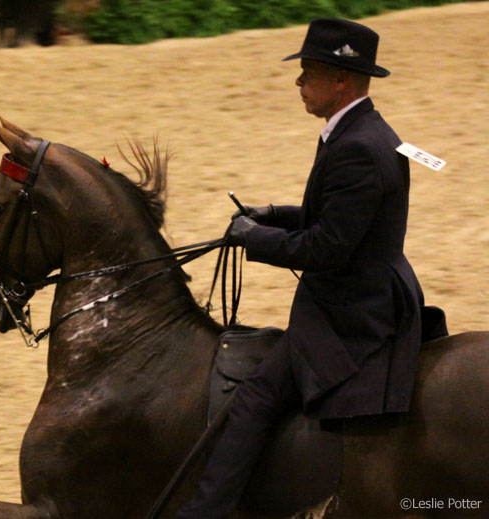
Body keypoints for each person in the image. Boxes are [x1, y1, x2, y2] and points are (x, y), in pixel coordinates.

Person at [176, 18, 447, 519]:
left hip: (354, 307)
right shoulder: (360, 132)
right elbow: (342, 216)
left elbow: (329, 247)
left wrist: (254, 240)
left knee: (255, 400)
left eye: (307, 74)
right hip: (364, 286)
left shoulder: (358, 148)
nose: (298, 84)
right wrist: (272, 215)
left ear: (341, 80)